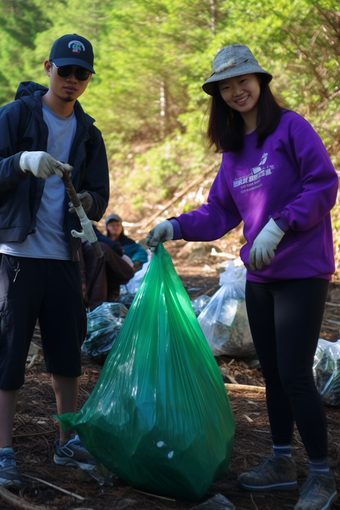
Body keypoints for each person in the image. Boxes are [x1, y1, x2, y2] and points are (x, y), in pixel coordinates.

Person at [145, 44, 339, 510]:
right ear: (219, 95)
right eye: (226, 86)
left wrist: (280, 222)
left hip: (302, 271)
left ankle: (322, 475)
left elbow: (324, 182)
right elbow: (219, 212)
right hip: (259, 277)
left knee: (294, 373)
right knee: (272, 373)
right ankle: (280, 461)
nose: (236, 91)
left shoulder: (290, 128)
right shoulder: (234, 154)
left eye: (243, 81)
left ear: (261, 82)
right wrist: (175, 225)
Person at [0, 34, 110, 487]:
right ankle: (4, 451)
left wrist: (87, 199)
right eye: (64, 70)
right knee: (8, 353)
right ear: (48, 67)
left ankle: (68, 441)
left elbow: (100, 196)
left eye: (81, 73)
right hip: (17, 254)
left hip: (64, 256)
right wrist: (22, 160)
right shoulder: (16, 115)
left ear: (88, 78)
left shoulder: (89, 133)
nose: (71, 80)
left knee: (67, 351)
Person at [79, 236, 134, 311]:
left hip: (97, 251)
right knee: (101, 283)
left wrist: (81, 280)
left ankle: (100, 312)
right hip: (99, 250)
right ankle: (101, 311)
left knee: (98, 287)